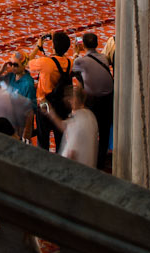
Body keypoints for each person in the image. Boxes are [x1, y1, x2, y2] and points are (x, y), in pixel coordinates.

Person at [74, 31, 114, 170]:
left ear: (83, 45)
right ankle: (100, 163)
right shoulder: (103, 58)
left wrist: (75, 53)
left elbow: (74, 72)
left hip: (93, 101)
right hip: (108, 99)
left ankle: (89, 162)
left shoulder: (81, 61)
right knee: (104, 132)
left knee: (91, 132)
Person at [47, 75, 98, 166]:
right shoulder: (90, 115)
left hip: (77, 169)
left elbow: (71, 153)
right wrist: (51, 113)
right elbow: (65, 126)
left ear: (73, 100)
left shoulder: (78, 121)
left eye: (69, 99)